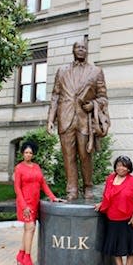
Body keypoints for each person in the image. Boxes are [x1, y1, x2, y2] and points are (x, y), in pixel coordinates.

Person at [47, 40, 110, 201]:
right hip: (65, 118)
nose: (81, 50)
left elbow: (103, 97)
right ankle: (72, 189)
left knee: (85, 155)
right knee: (68, 157)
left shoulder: (96, 71)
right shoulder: (62, 71)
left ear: (87, 51)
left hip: (84, 120)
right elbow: (55, 95)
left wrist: (93, 105)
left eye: (84, 48)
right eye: (78, 47)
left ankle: (88, 186)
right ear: (73, 50)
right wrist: (50, 119)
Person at [14, 141, 65, 265]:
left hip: (35, 202)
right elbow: (17, 189)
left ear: (33, 154)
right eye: (26, 152)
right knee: (30, 228)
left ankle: (21, 254)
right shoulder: (19, 168)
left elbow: (43, 184)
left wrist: (53, 197)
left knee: (28, 229)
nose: (28, 155)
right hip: (25, 202)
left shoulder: (36, 167)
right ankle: (27, 258)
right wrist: (24, 205)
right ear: (22, 153)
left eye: (30, 153)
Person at [94, 155, 133, 265]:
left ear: (128, 168)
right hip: (113, 217)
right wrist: (102, 204)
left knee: (131, 245)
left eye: (123, 166)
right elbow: (107, 195)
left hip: (130, 219)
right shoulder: (110, 179)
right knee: (114, 244)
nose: (120, 168)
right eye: (118, 165)